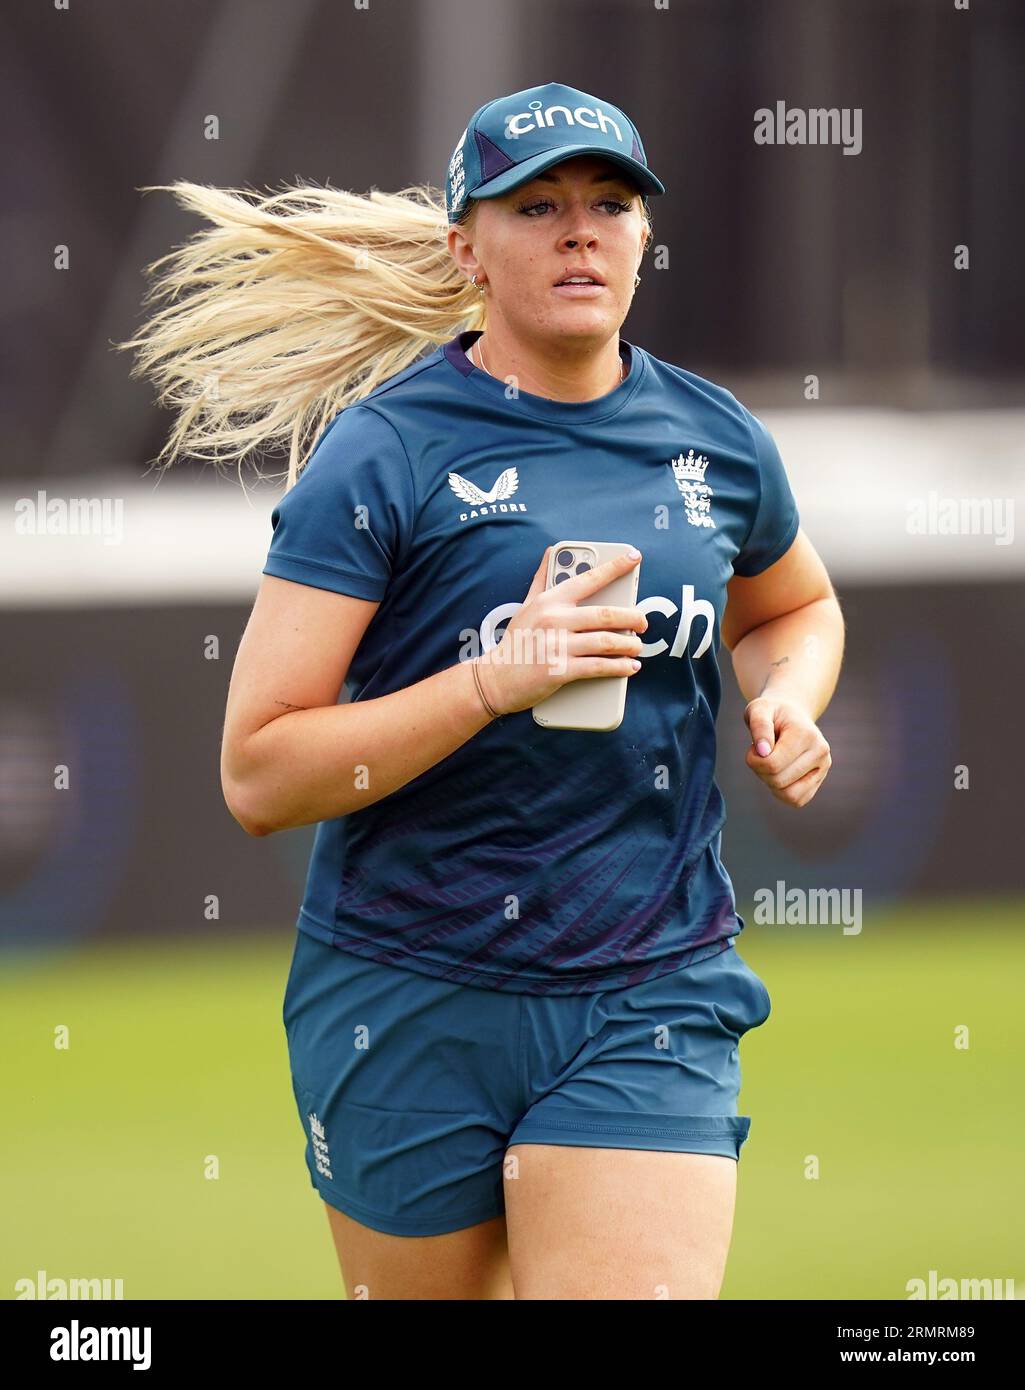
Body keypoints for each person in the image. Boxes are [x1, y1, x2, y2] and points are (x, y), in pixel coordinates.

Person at [120, 81, 844, 1300]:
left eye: (608, 204)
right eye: (536, 205)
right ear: (466, 245)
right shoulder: (386, 451)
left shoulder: (712, 441)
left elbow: (789, 609)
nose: (579, 230)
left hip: (646, 984)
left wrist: (789, 697)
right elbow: (258, 771)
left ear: (641, 237)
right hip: (405, 992)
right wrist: (487, 684)